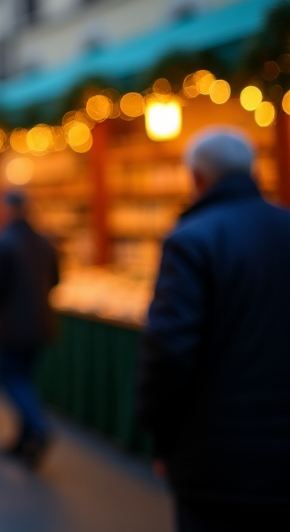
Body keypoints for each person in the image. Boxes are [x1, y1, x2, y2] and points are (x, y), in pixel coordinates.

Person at [137, 129, 290, 532]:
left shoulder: (192, 240)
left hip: (216, 452)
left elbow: (169, 349)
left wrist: (160, 435)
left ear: (198, 177)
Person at [0, 190, 60, 469]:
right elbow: (56, 279)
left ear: (8, 210)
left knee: (11, 378)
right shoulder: (45, 242)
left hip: (12, 324)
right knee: (25, 378)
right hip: (41, 323)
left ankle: (38, 428)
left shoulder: (2, 243)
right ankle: (24, 439)